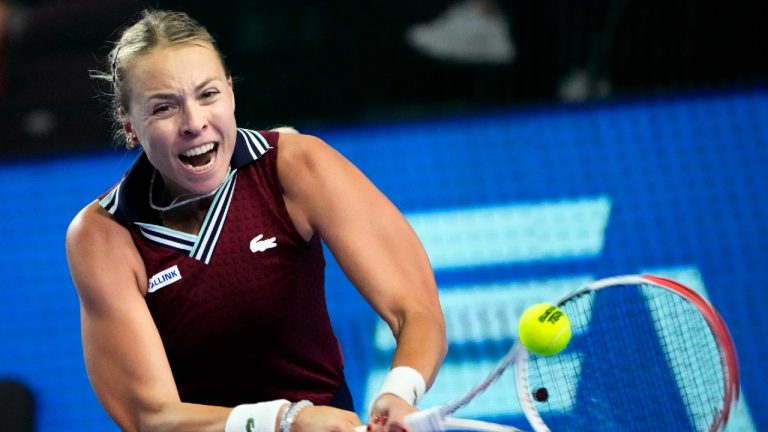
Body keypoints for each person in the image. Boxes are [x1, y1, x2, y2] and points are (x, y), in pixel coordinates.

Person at [65, 9, 446, 432]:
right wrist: (285, 420)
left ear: (231, 93)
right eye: (164, 108)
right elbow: (149, 416)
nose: (194, 123)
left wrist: (399, 390)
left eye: (208, 94)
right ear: (130, 126)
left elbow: (416, 311)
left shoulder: (297, 165)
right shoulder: (102, 236)